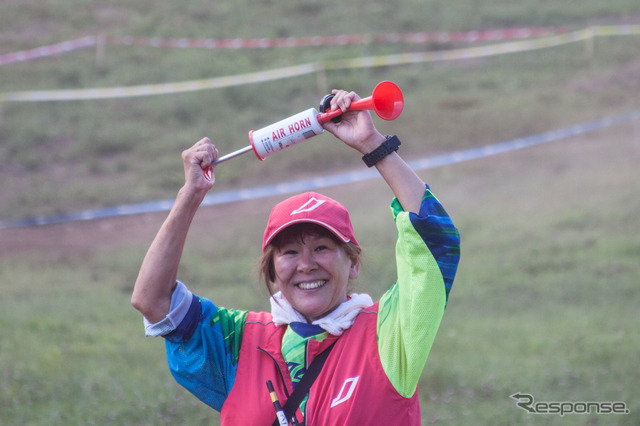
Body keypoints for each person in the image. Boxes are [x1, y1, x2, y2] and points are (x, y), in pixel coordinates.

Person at [131, 88, 461, 425]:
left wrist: (372, 144)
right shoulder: (238, 342)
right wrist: (190, 195)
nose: (306, 265)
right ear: (272, 271)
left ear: (354, 262)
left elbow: (436, 242)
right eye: (289, 252)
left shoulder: (389, 334)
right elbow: (153, 301)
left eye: (322, 248)